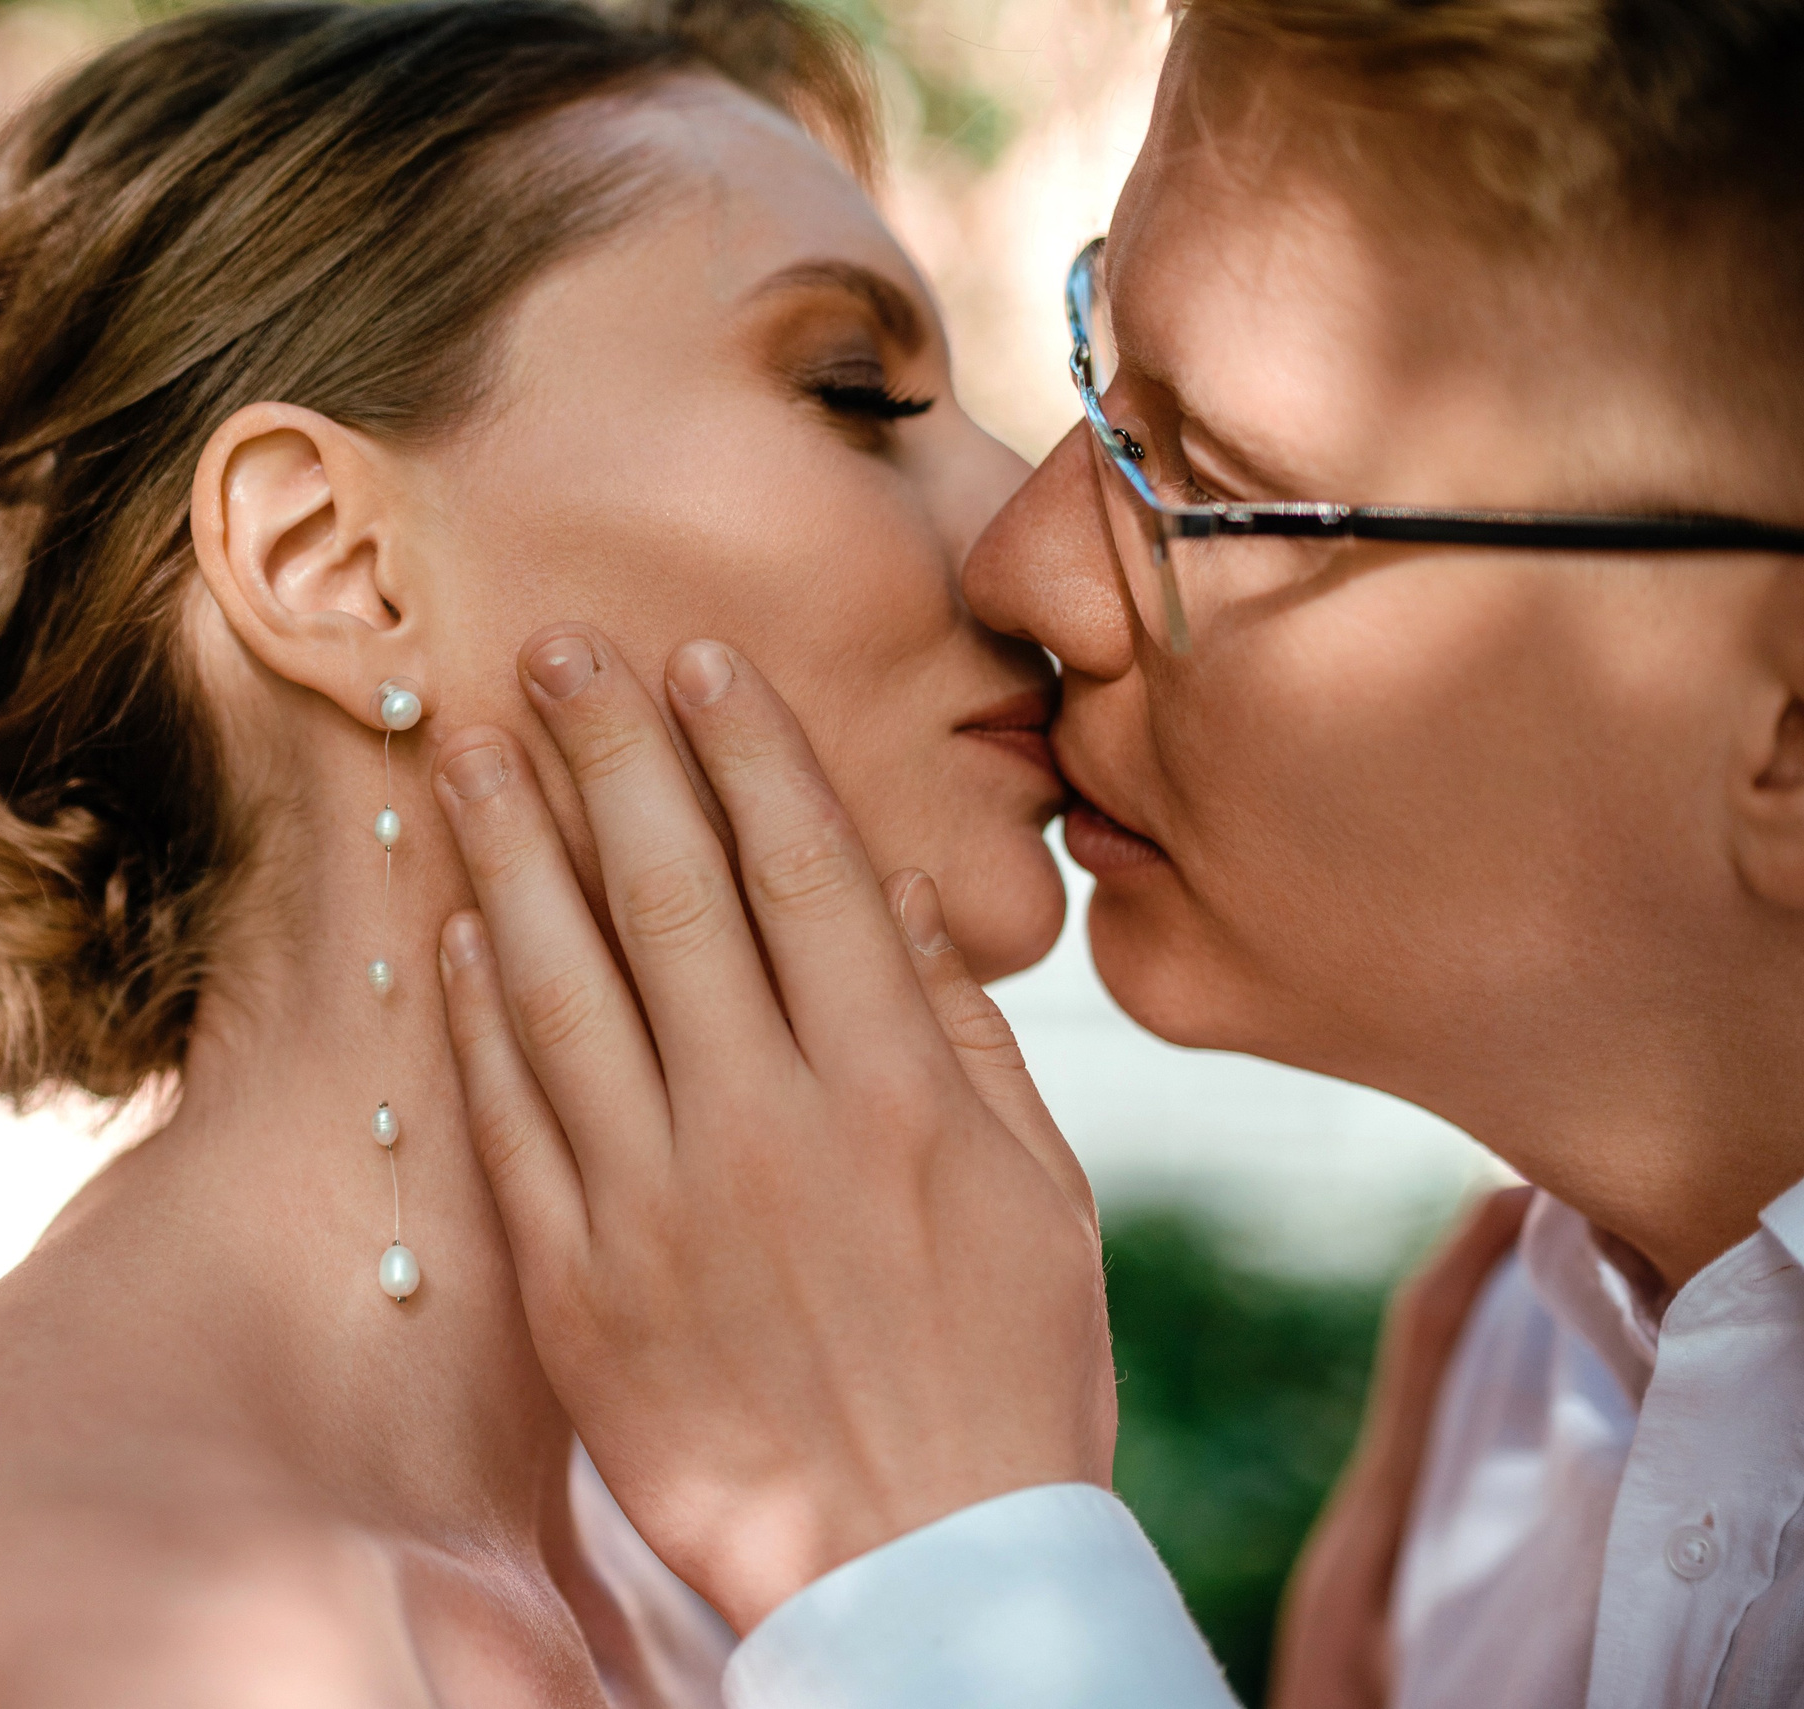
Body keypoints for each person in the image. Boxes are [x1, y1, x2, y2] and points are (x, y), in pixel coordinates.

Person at [0, 0, 1072, 1701]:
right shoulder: (151, 1601)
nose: (1033, 533)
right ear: (329, 558)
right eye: (855, 392)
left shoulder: (648, 1578)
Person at [430, 0, 1804, 1705]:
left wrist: (940, 1556)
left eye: (1210, 483)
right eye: (1100, 364)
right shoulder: (1533, 1385)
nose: (1025, 567)